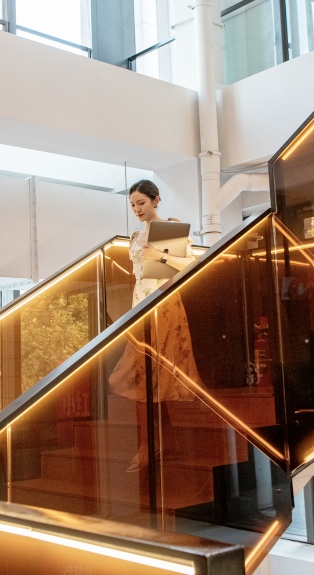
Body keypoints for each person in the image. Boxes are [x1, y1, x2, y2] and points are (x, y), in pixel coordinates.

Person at [108, 179, 203, 472]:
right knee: (148, 377)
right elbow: (138, 277)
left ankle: (147, 447)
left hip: (163, 305)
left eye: (142, 203)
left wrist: (158, 255)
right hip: (141, 307)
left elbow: (189, 266)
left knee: (144, 377)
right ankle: (166, 443)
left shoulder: (169, 228)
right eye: (133, 205)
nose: (137, 209)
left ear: (156, 200)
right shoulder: (136, 235)